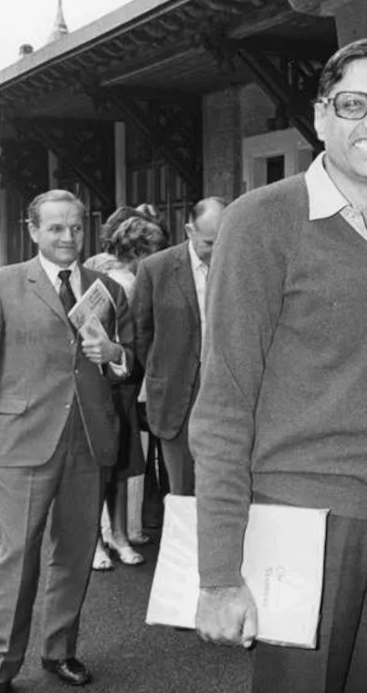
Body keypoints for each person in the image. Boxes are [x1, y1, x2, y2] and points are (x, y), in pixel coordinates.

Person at [189, 38, 367, 693]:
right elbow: (224, 401)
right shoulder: (261, 221)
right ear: (321, 116)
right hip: (295, 517)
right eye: (354, 104)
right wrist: (218, 573)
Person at [0, 189, 134, 690]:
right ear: (33, 230)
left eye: (76, 227)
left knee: (76, 552)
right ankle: (3, 661)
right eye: (56, 227)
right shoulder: (6, 284)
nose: (68, 237)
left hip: (89, 437)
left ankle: (60, 651)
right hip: (24, 438)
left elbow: (132, 361)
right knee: (15, 557)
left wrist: (113, 353)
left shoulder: (107, 288)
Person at [85, 215, 168, 571]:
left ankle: (111, 537)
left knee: (115, 465)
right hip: (112, 380)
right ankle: (106, 538)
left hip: (118, 377)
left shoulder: (104, 272)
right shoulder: (124, 282)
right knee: (107, 467)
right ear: (139, 250)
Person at [133, 197, 226, 498]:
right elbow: (141, 333)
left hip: (228, 395)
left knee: (225, 490)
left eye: (224, 240)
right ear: (189, 231)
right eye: (209, 243)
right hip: (175, 397)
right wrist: (162, 370)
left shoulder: (242, 264)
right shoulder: (155, 269)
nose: (217, 251)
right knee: (183, 493)